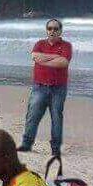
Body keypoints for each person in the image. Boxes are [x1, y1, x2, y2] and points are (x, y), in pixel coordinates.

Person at [18, 18, 72, 156]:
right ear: (46, 31)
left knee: (56, 118)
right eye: (50, 28)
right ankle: (26, 144)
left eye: (55, 29)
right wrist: (54, 58)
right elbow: (35, 57)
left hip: (58, 88)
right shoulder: (39, 44)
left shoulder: (66, 46)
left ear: (60, 31)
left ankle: (55, 149)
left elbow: (63, 62)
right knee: (32, 116)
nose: (52, 31)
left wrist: (44, 60)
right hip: (39, 87)